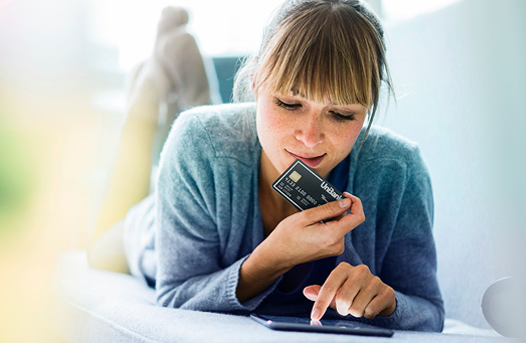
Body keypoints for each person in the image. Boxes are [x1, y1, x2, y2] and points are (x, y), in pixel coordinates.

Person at [89, 0, 444, 332]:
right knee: (99, 248)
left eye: (340, 114)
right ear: (256, 80)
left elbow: (429, 310)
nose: (310, 138)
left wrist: (388, 304)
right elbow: (175, 296)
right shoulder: (198, 143)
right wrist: (273, 257)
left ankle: (192, 86)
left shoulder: (399, 170)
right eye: (290, 104)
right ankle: (146, 99)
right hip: (157, 222)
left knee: (212, 137)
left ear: (367, 106)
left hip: (225, 149)